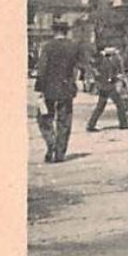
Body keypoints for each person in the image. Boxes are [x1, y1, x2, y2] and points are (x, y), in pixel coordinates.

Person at [34, 19, 88, 163]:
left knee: (43, 118)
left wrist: (39, 89)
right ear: (66, 31)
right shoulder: (73, 46)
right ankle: (59, 153)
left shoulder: (47, 47)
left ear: (54, 31)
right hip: (66, 87)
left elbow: (42, 69)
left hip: (49, 88)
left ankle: (51, 143)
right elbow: (81, 66)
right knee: (64, 121)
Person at [85, 46, 128, 132]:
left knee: (100, 106)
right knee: (119, 104)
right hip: (108, 86)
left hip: (105, 85)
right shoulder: (103, 60)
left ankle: (91, 124)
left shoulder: (108, 60)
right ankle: (124, 124)